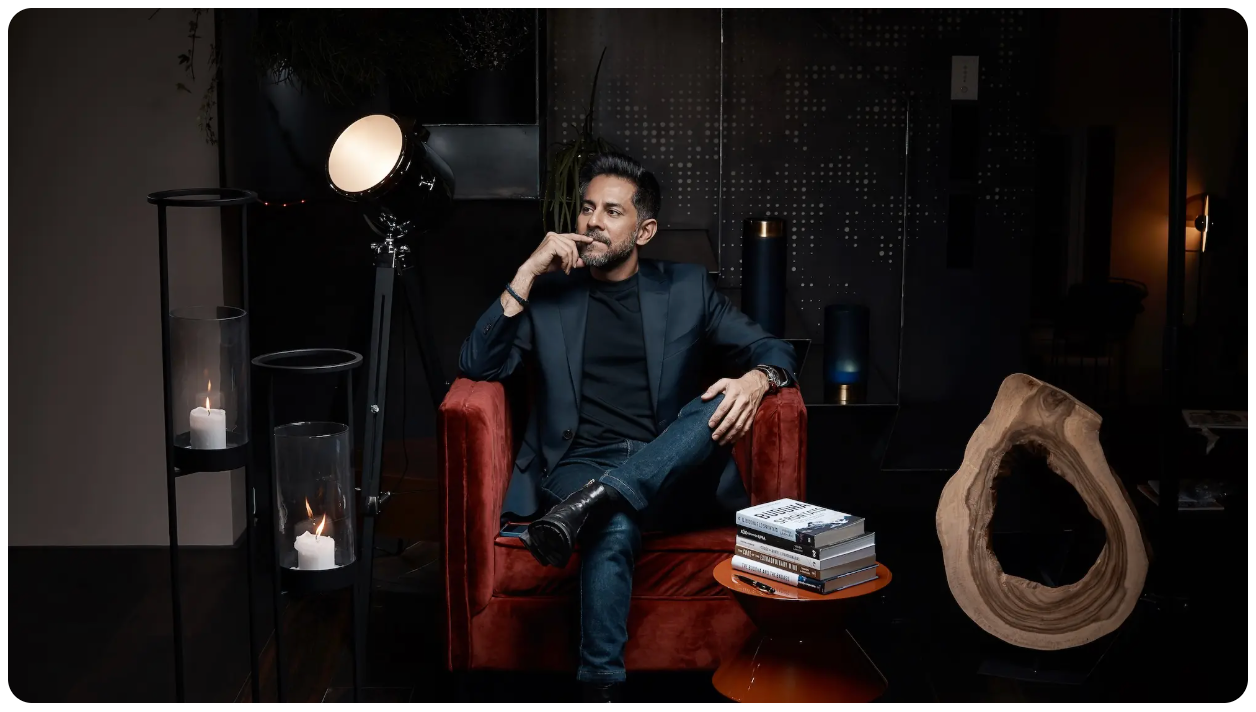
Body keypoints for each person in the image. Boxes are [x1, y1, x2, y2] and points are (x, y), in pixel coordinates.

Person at [458, 153, 797, 701]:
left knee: (714, 401)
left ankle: (598, 499)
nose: (592, 221)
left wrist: (757, 380)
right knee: (612, 523)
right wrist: (526, 273)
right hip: (577, 467)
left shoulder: (686, 288)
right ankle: (602, 693)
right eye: (587, 207)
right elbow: (478, 364)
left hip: (670, 467)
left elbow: (772, 347)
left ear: (644, 231)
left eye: (612, 211)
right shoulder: (550, 294)